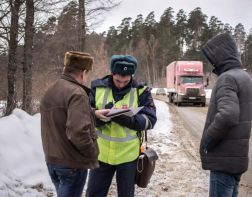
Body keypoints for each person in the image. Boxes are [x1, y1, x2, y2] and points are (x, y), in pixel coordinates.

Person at [86, 55, 157, 197]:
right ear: (112, 73)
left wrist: (126, 119)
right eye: (118, 80)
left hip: (128, 157)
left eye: (126, 80)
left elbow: (150, 120)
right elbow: (82, 116)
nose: (121, 84)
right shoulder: (96, 88)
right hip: (101, 154)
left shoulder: (141, 91)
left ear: (132, 75)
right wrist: (97, 116)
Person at [40, 51, 109, 197]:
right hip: (72, 164)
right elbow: (78, 132)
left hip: (53, 161)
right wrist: (93, 153)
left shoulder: (51, 90)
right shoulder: (77, 93)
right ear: (83, 72)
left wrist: (92, 113)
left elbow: (62, 115)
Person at [199, 33, 252, 197]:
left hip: (223, 163)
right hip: (237, 160)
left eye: (212, 58)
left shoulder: (227, 78)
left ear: (220, 56)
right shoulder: (245, 77)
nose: (212, 63)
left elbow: (228, 115)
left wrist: (207, 141)